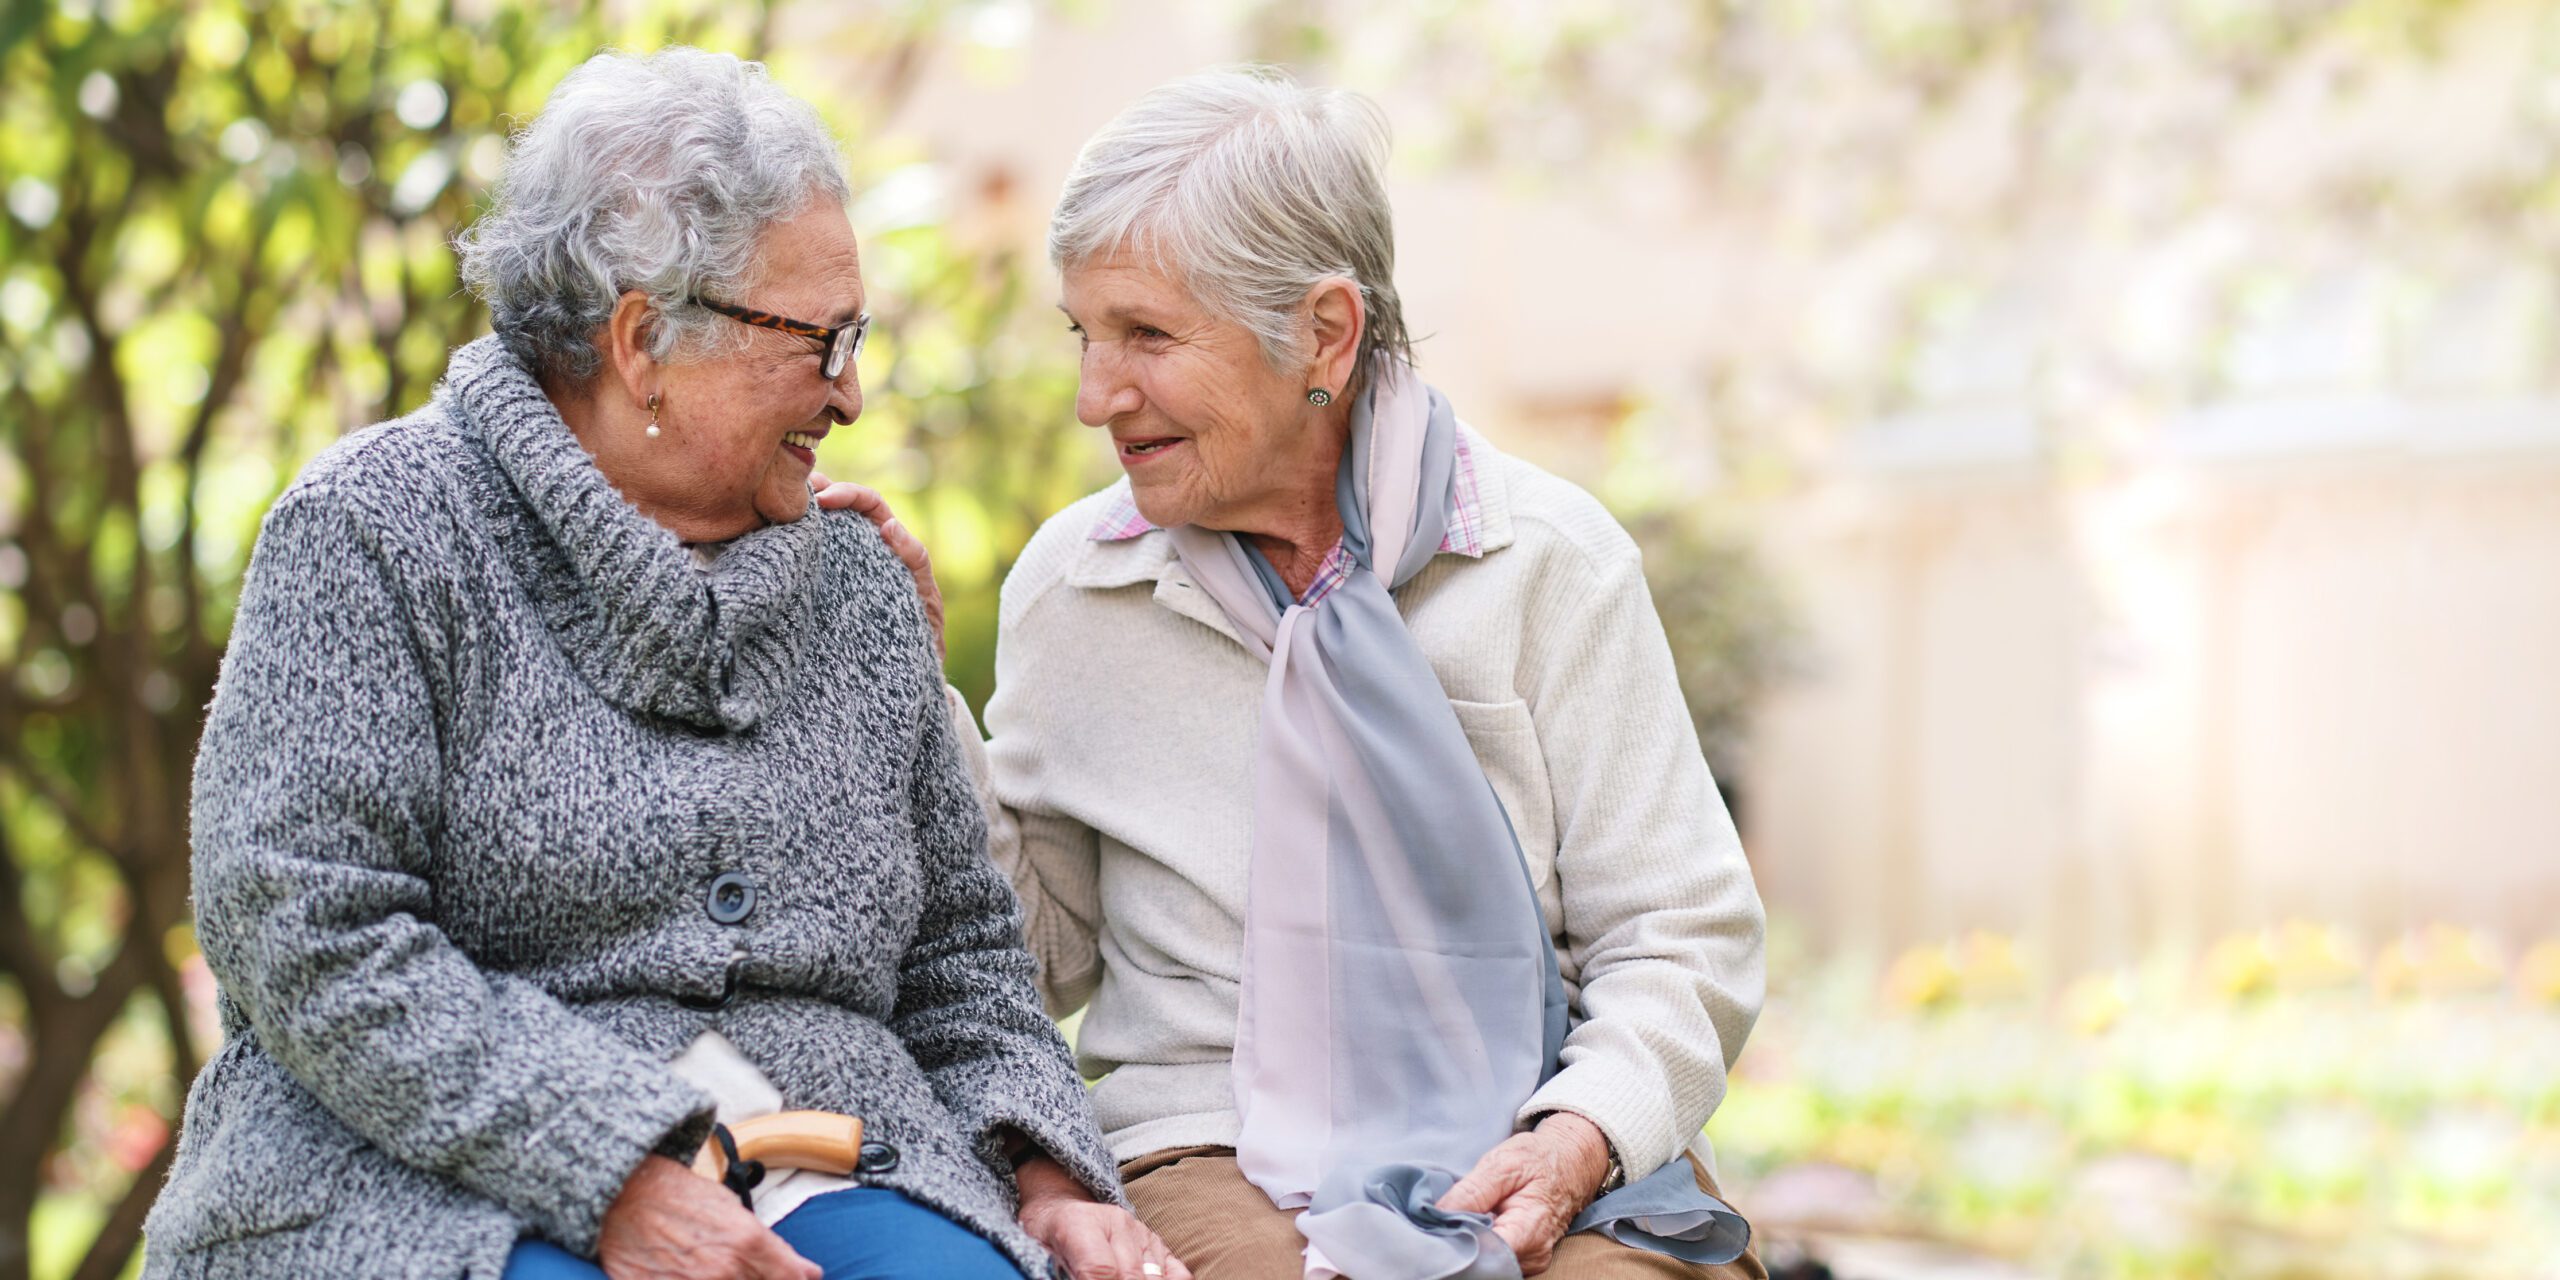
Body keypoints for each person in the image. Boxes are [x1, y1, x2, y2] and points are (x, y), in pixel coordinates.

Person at [142, 48, 1183, 1280]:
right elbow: (309, 931)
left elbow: (960, 953)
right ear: (642, 341)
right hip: (439, 1168)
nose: (850, 393)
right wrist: (610, 1166)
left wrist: (1051, 1180)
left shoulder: (852, 583)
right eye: (822, 340)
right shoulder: (374, 533)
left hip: (839, 1149)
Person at [823, 67, 1769, 1280]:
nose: (1093, 396)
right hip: (1205, 1141)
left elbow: (1678, 931)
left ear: (1322, 332)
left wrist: (1577, 1136)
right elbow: (1034, 954)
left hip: (1541, 1127)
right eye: (1085, 334)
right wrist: (913, 692)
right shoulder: (1077, 588)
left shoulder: (1548, 564)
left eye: (1148, 335)